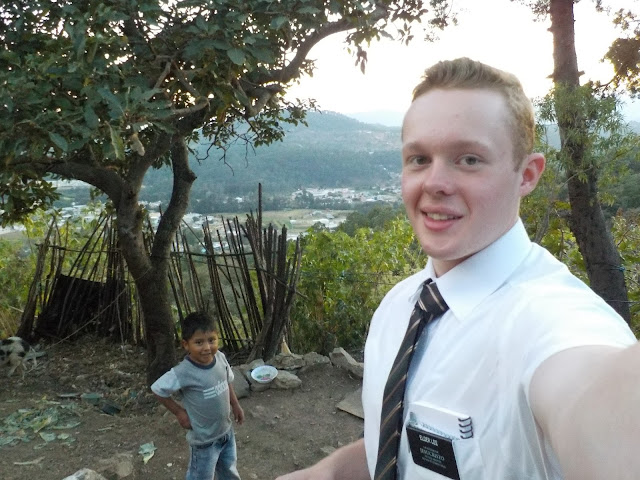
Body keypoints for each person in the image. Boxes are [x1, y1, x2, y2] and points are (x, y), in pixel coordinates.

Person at [275, 57, 639, 480]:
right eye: (419, 159)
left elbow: (593, 402)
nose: (434, 183)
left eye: (468, 159)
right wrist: (327, 473)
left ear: (527, 175)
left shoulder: (552, 321)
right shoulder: (399, 306)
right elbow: (401, 446)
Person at [152, 311, 245, 480]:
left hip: (226, 433)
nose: (207, 347)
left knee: (229, 471)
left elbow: (227, 380)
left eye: (211, 340)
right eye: (199, 342)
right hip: (204, 441)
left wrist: (235, 404)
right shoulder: (183, 371)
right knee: (201, 476)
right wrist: (179, 412)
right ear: (186, 344)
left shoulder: (220, 358)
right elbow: (158, 389)